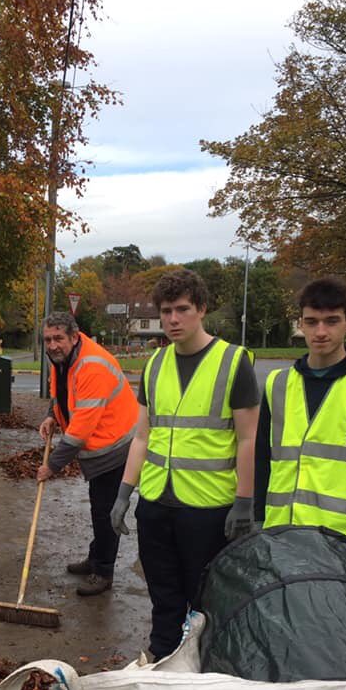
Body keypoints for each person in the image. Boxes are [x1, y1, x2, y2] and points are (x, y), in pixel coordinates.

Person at [111, 269, 260, 660]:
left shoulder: (232, 362)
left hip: (207, 507)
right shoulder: (155, 364)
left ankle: (206, 664)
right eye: (166, 311)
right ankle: (162, 656)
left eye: (182, 309)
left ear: (201, 309)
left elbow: (248, 439)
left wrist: (245, 502)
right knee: (163, 592)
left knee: (205, 599)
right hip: (156, 502)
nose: (173, 319)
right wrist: (124, 493)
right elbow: (142, 436)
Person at [254, 277, 346, 548]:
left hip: (340, 539)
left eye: (331, 321)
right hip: (280, 532)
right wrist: (259, 518)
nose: (320, 332)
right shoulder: (278, 383)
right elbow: (263, 458)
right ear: (300, 324)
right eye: (311, 322)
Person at [37, 311, 139, 596]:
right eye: (48, 339)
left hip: (116, 446)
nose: (52, 345)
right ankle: (96, 557)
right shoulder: (63, 359)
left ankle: (103, 571)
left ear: (74, 336)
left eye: (58, 338)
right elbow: (61, 392)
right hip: (101, 442)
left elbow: (80, 432)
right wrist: (51, 415)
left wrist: (51, 466)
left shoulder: (92, 366)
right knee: (99, 507)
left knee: (106, 512)